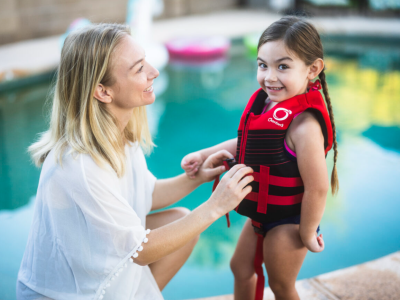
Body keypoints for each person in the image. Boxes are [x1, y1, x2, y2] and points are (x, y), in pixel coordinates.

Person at [16, 23, 254, 300]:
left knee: (181, 221)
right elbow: (141, 251)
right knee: (185, 224)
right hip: (65, 295)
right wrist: (215, 206)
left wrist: (198, 176)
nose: (154, 72)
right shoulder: (80, 165)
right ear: (103, 91)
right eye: (139, 68)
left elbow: (145, 194)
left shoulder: (118, 135)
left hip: (94, 264)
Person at [181, 16, 339, 300]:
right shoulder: (267, 103)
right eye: (263, 65)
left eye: (283, 66)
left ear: (312, 69)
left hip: (288, 221)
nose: (270, 76)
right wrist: (203, 155)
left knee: (281, 286)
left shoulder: (305, 126)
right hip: (261, 214)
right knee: (240, 268)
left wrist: (305, 233)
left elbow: (318, 187)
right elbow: (246, 141)